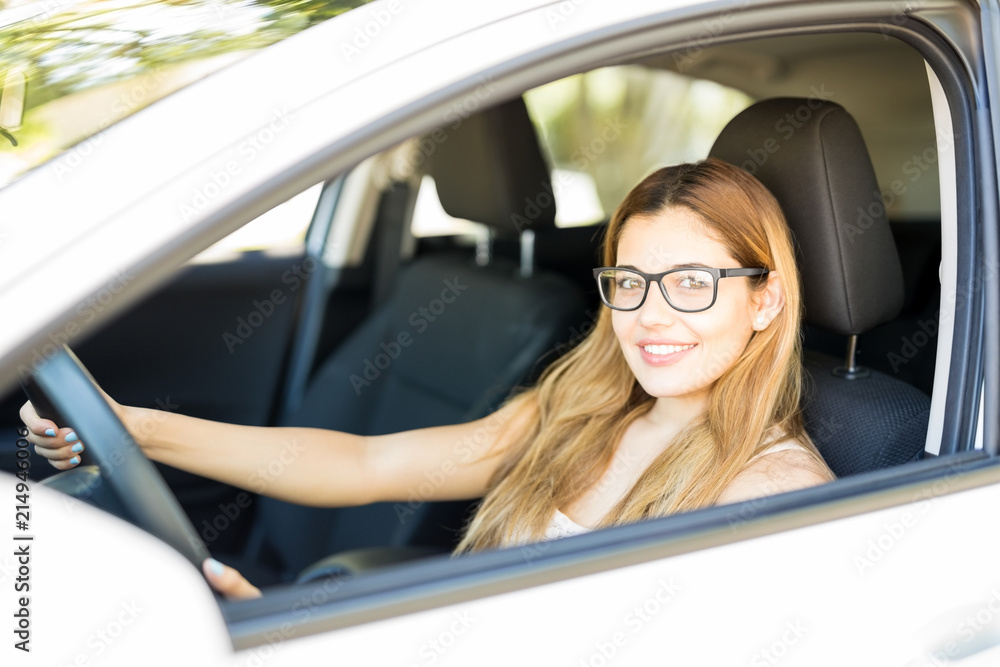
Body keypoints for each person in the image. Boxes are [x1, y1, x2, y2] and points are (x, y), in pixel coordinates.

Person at [20, 157, 835, 599]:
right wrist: (139, 430)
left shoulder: (773, 494)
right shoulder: (583, 404)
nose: (650, 316)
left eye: (692, 282)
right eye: (629, 280)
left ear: (765, 299)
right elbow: (368, 465)